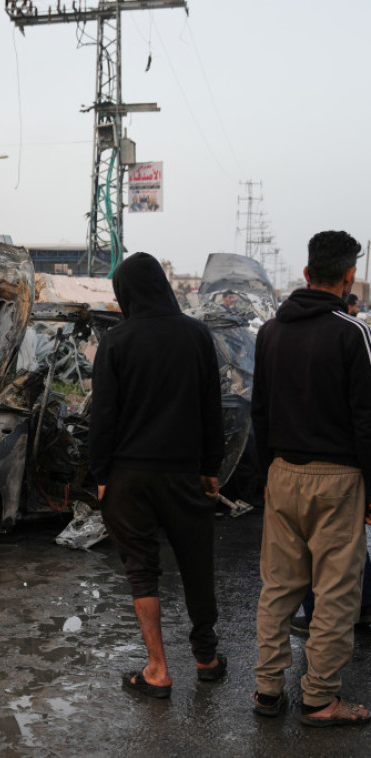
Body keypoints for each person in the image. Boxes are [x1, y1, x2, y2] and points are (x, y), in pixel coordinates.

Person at [88, 252, 225, 700]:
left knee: (141, 572)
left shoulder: (116, 341)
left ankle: (158, 669)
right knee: (196, 564)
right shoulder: (197, 336)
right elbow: (211, 409)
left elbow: (103, 416)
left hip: (129, 476)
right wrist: (210, 469)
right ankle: (206, 658)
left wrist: (101, 474)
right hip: (184, 472)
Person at [251, 230, 371, 726]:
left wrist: (266, 477)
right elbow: (366, 420)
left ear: (305, 274)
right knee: (337, 590)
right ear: (347, 278)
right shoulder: (352, 333)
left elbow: (259, 412)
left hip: (282, 473)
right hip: (338, 478)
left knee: (278, 587)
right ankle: (320, 698)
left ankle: (267, 690)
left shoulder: (271, 333)